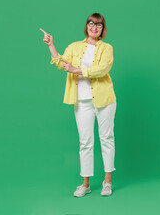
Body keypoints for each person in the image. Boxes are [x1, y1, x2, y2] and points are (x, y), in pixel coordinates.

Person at [40, 13, 117, 197]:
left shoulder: (107, 48)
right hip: (82, 100)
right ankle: (85, 184)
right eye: (91, 23)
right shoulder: (75, 47)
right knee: (85, 142)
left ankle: (107, 182)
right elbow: (61, 64)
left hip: (104, 99)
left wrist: (78, 70)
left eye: (98, 24)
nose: (94, 27)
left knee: (106, 138)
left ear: (102, 29)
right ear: (86, 26)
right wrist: (51, 45)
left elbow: (103, 69)